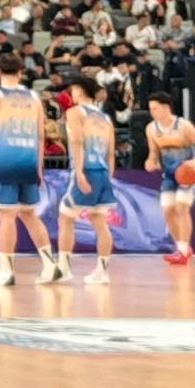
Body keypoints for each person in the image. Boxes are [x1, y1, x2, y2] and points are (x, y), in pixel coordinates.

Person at [0, 60, 56, 290]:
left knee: (7, 215)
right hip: (29, 160)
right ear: (21, 72)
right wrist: (39, 168)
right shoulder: (34, 97)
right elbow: (41, 136)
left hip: (5, 161)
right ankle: (50, 265)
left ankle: (6, 270)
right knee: (29, 214)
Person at [57, 86, 119, 279]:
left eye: (73, 90)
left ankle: (64, 269)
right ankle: (102, 272)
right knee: (100, 222)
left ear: (80, 92)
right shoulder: (105, 118)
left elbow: (77, 142)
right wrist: (109, 177)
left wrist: (80, 174)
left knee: (66, 218)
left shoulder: (75, 112)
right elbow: (111, 152)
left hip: (86, 169)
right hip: (103, 172)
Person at [146, 91, 195, 266]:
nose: (152, 112)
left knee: (181, 207)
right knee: (168, 211)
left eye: (155, 108)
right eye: (151, 109)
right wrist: (151, 161)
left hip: (187, 173)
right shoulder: (151, 128)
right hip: (169, 174)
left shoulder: (183, 126)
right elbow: (153, 152)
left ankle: (183, 251)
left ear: (166, 108)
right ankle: (181, 247)